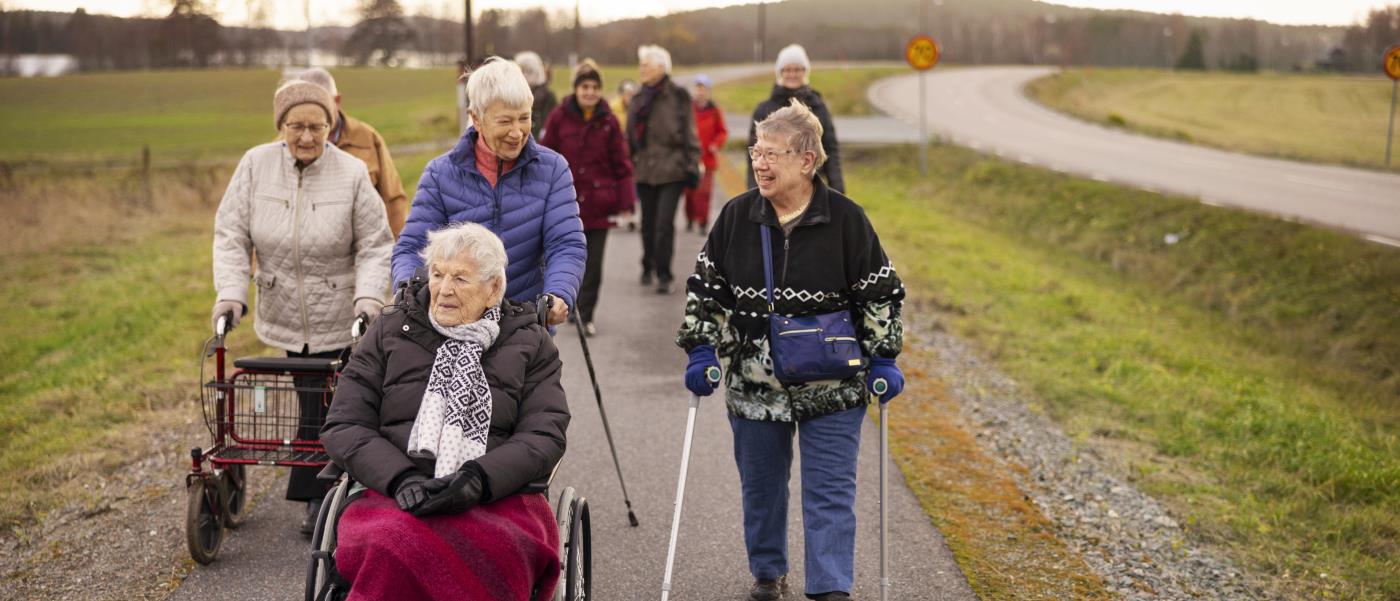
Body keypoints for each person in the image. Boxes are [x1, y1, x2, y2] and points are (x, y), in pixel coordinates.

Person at [676, 99, 905, 601]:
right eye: (756, 151)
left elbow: (880, 292)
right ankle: (768, 571)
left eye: (772, 153)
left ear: (807, 160)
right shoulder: (737, 217)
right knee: (762, 491)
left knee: (830, 494)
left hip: (834, 386)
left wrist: (884, 356)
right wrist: (701, 349)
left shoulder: (846, 219)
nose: (759, 162)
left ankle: (830, 588)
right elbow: (707, 290)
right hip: (755, 386)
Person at [322, 222, 569, 600]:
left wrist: (476, 479)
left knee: (499, 549)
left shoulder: (529, 342)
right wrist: (401, 478)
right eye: (437, 274)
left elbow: (544, 433)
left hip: (495, 494)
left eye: (461, 279)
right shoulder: (390, 329)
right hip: (390, 491)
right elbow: (345, 423)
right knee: (390, 544)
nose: (445, 289)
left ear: (494, 289)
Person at [211, 80, 393, 534]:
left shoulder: (351, 172)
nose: (307, 137)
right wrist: (230, 293)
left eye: (317, 126)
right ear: (281, 127)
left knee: (330, 404)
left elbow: (375, 244)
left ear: (331, 127)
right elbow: (231, 234)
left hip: (341, 313)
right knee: (313, 400)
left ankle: (320, 496)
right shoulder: (255, 166)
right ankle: (324, 491)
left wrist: (369, 299)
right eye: (297, 126)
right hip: (285, 311)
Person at [392, 57, 585, 328]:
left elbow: (565, 243)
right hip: (454, 328)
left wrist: (559, 292)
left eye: (524, 118)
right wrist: (408, 289)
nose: (517, 133)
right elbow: (412, 247)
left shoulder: (553, 169)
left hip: (526, 324)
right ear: (477, 119)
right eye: (505, 121)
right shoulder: (439, 174)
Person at [540, 59, 637, 337]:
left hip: (599, 204)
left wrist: (626, 202)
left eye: (595, 87)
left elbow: (621, 163)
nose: (590, 93)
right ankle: (565, 303)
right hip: (564, 204)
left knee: (593, 264)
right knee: (562, 258)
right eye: (585, 87)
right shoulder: (558, 117)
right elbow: (546, 158)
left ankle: (587, 312)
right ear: (576, 89)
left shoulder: (609, 121)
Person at [297, 67, 409, 239]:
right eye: (304, 107)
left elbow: (393, 201)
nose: (314, 115)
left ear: (337, 100)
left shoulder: (368, 139)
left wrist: (398, 257)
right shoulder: (281, 148)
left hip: (363, 254)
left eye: (321, 105)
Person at [627, 44, 701, 295]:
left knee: (663, 224)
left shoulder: (678, 96)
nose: (641, 70)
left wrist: (692, 164)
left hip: (672, 170)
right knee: (647, 224)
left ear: (661, 67)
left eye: (646, 65)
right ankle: (647, 264)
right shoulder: (638, 99)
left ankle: (664, 273)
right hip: (645, 170)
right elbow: (630, 137)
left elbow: (691, 133)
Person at [746, 44, 844, 194]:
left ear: (805, 72)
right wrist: (754, 193)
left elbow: (830, 149)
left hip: (811, 189)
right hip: (775, 188)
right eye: (787, 69)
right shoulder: (764, 109)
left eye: (797, 69)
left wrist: (838, 190)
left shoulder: (818, 107)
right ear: (780, 73)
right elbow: (754, 155)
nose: (792, 74)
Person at [684, 74, 727, 234]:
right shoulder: (688, 108)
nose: (700, 92)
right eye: (698, 89)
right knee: (690, 193)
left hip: (707, 159)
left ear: (708, 91)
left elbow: (722, 132)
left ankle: (703, 222)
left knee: (704, 193)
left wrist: (716, 144)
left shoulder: (715, 111)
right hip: (690, 158)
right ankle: (690, 218)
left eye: (704, 89)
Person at [514, 51, 557, 140]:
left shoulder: (547, 97)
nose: (523, 75)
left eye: (527, 71)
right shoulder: (513, 95)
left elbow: (549, 126)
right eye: (521, 71)